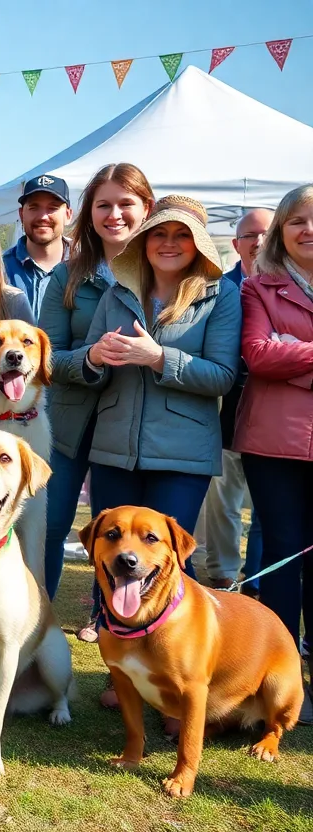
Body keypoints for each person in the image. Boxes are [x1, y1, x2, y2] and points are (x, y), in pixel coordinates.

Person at [71, 195, 241, 713]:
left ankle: (174, 684)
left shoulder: (220, 297)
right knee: (113, 561)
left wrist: (160, 357)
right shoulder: (119, 292)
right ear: (144, 242)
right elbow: (84, 359)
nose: (169, 244)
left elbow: (223, 375)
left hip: (183, 456)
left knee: (165, 572)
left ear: (198, 245)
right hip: (114, 449)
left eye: (181, 235)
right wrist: (94, 358)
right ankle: (124, 674)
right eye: (160, 234)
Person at [39, 163, 154, 605]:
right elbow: (46, 355)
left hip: (128, 423)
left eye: (126, 204)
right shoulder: (66, 278)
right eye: (103, 205)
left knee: (122, 532)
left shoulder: (164, 271)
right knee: (49, 527)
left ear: (147, 207)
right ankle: (35, 623)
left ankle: (107, 618)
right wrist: (88, 357)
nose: (115, 215)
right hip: (68, 425)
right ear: (88, 214)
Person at [235, 184, 313, 724]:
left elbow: (281, 355)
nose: (308, 229)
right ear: (281, 232)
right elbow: (260, 356)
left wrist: (295, 354)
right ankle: (278, 677)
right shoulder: (259, 287)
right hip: (274, 442)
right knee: (284, 553)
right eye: (298, 220)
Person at [195, 208, 273, 591]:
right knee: (224, 500)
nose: (258, 241)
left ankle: (257, 575)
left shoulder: (293, 288)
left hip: (277, 413)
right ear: (236, 244)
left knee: (267, 504)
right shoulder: (218, 289)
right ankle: (224, 572)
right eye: (250, 235)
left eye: (265, 233)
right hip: (227, 409)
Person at [4, 174, 72, 320]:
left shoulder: (89, 268)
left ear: (68, 215)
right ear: (22, 214)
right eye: (34, 207)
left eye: (52, 208)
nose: (43, 217)